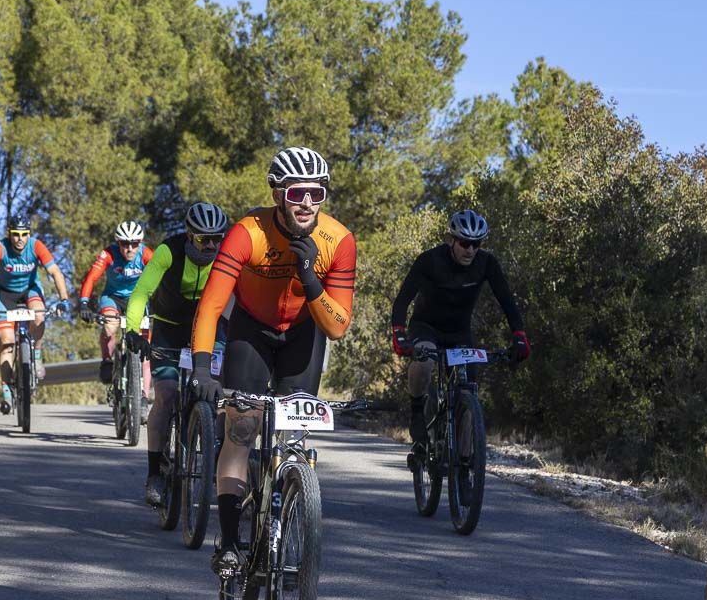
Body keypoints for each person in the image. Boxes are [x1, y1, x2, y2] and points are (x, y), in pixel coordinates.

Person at [189, 146, 357, 574]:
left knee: (294, 436)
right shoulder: (249, 232)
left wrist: (309, 279)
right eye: (298, 192)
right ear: (278, 192)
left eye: (317, 194)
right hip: (252, 330)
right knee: (241, 426)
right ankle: (228, 540)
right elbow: (210, 307)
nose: (307, 203)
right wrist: (203, 368)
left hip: (304, 333)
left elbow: (337, 326)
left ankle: (287, 500)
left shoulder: (338, 241)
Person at [390, 210, 530, 463]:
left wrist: (519, 335)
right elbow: (402, 301)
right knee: (425, 361)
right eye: (465, 243)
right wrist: (399, 334)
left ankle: (464, 465)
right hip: (426, 327)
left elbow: (507, 301)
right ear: (450, 240)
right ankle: (417, 410)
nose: (470, 250)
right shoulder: (430, 261)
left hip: (459, 333)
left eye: (477, 244)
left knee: (469, 391)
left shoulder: (487, 263)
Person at [123, 202, 229, 506]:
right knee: (166, 396)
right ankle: (155, 472)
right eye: (202, 239)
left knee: (218, 395)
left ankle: (215, 451)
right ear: (188, 234)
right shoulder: (168, 252)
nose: (210, 245)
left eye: (216, 238)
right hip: (169, 327)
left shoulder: (224, 253)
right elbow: (141, 292)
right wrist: (133, 330)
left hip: (207, 327)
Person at [0, 219, 71, 414]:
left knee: (39, 316)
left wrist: (64, 299)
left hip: (30, 291)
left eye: (24, 234)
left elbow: (55, 272)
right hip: (5, 294)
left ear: (28, 234)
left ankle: (37, 354)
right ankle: (7, 389)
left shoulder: (36, 246)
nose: (20, 239)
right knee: (7, 341)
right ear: (9, 233)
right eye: (16, 234)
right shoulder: (0, 249)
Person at [78, 221, 154, 389]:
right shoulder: (109, 254)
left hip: (138, 299)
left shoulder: (146, 254)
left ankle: (143, 398)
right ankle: (107, 359)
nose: (129, 249)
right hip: (112, 297)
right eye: (124, 244)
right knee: (110, 327)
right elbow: (91, 278)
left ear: (139, 243)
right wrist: (83, 303)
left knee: (145, 349)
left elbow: (162, 278)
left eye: (134, 244)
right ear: (117, 243)